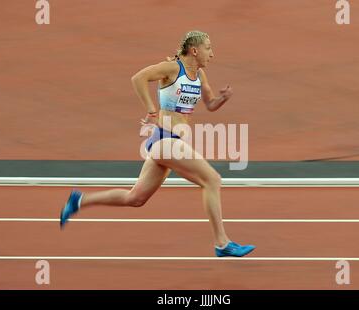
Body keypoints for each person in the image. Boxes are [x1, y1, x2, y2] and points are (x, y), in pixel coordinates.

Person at [60, 30, 255, 257]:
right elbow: (138, 78)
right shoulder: (173, 68)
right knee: (212, 179)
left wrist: (223, 99)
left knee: (136, 198)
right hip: (165, 139)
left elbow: (210, 104)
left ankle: (79, 201)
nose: (212, 53)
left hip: (168, 143)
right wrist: (151, 109)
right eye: (208, 48)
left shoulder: (200, 76)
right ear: (195, 50)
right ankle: (222, 243)